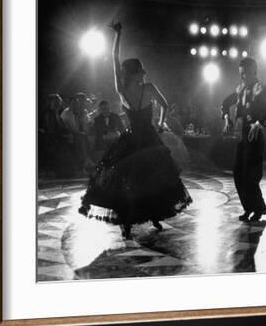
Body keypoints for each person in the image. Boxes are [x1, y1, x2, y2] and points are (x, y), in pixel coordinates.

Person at [78, 22, 192, 239]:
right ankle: (149, 216)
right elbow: (165, 105)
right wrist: (159, 123)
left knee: (132, 181)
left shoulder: (122, 90)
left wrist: (118, 35)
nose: (144, 71)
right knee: (151, 178)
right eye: (141, 69)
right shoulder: (148, 88)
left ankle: (133, 220)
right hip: (148, 138)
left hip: (132, 139)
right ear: (138, 72)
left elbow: (114, 59)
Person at [222, 57, 266, 222]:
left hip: (255, 135)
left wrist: (258, 124)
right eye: (241, 74)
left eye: (245, 73)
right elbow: (225, 103)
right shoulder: (239, 89)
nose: (242, 76)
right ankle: (248, 207)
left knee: (251, 175)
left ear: (253, 71)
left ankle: (258, 209)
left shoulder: (262, 89)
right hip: (242, 135)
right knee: (238, 173)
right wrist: (226, 119)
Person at [60, 92, 95, 175]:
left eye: (77, 103)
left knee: (91, 138)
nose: (76, 105)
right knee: (82, 138)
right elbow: (71, 128)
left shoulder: (82, 112)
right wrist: (81, 132)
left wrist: (88, 125)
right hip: (70, 135)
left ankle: (89, 161)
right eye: (74, 103)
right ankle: (86, 162)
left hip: (81, 134)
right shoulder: (67, 113)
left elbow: (88, 123)